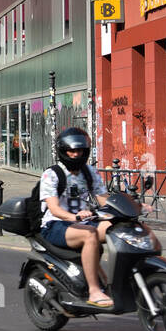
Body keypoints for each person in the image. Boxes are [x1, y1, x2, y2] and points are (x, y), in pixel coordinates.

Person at [39, 127, 113, 308]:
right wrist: (75, 216)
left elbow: (105, 200)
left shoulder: (89, 172)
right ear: (63, 151)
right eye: (71, 151)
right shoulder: (52, 174)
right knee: (89, 235)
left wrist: (132, 207)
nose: (75, 154)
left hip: (83, 222)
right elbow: (54, 209)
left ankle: (120, 281)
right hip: (55, 225)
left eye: (79, 150)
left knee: (117, 229)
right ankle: (94, 291)